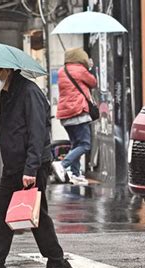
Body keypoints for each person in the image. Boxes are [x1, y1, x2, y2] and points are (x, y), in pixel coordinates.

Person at [0, 68, 73, 268]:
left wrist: (30, 169)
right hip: (13, 166)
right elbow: (12, 129)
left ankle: (57, 261)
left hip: (30, 165)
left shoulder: (29, 92)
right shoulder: (8, 93)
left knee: (36, 216)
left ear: (6, 70)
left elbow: (38, 133)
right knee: (2, 215)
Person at [51, 48, 97, 185]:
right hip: (78, 112)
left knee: (76, 144)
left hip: (65, 114)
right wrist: (90, 68)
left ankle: (76, 175)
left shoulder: (62, 71)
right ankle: (62, 165)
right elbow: (93, 82)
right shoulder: (81, 71)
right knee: (85, 144)